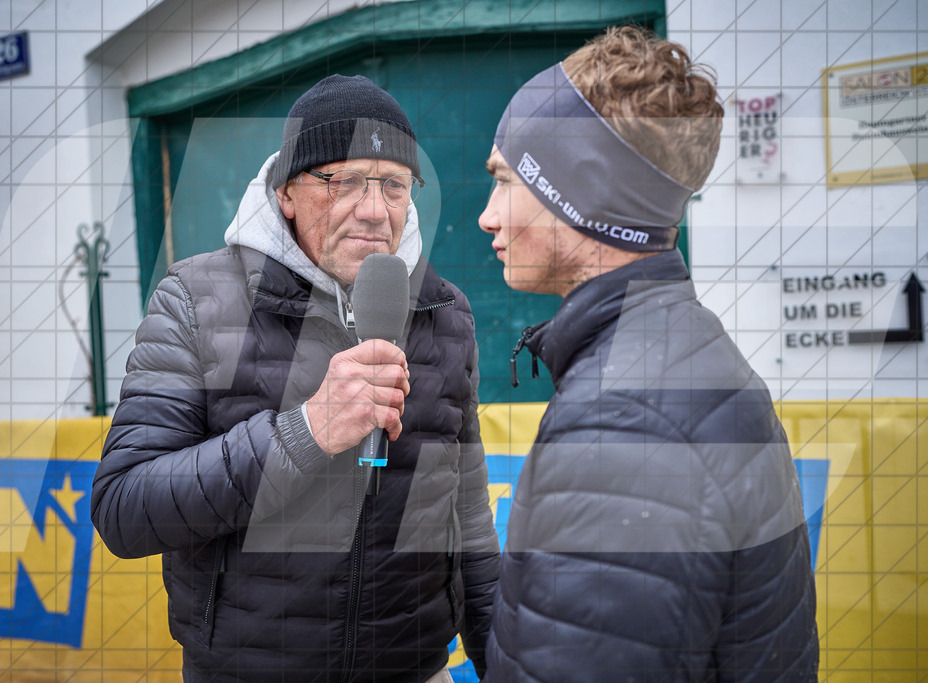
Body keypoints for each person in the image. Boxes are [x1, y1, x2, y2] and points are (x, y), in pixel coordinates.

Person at [92, 74, 499, 682]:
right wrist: (303, 432)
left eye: (393, 184)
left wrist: (502, 662)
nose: (374, 210)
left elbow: (465, 514)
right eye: (344, 181)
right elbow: (124, 508)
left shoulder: (445, 312)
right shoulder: (196, 301)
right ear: (285, 192)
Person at [477, 27, 818, 680]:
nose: (487, 216)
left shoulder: (622, 426)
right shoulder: (687, 353)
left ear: (578, 192)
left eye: (505, 180)